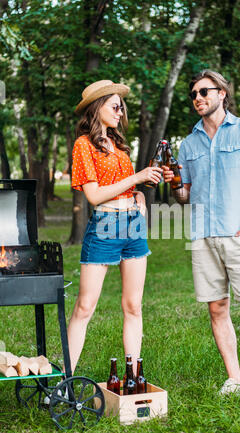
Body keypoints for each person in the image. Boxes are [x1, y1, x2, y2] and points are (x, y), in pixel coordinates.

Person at [162, 69, 240, 406]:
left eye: (204, 91)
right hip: (202, 236)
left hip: (239, 234)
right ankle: (235, 379)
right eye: (193, 95)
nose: (198, 98)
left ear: (222, 93)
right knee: (217, 309)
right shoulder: (188, 144)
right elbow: (184, 197)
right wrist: (175, 184)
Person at [68, 80, 162, 375]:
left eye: (121, 107)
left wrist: (139, 196)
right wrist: (137, 179)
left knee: (133, 306)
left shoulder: (120, 145)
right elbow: (95, 195)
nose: (121, 112)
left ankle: (133, 376)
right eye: (115, 106)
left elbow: (124, 187)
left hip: (133, 226)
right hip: (105, 226)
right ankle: (65, 379)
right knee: (85, 307)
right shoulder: (84, 145)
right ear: (98, 107)